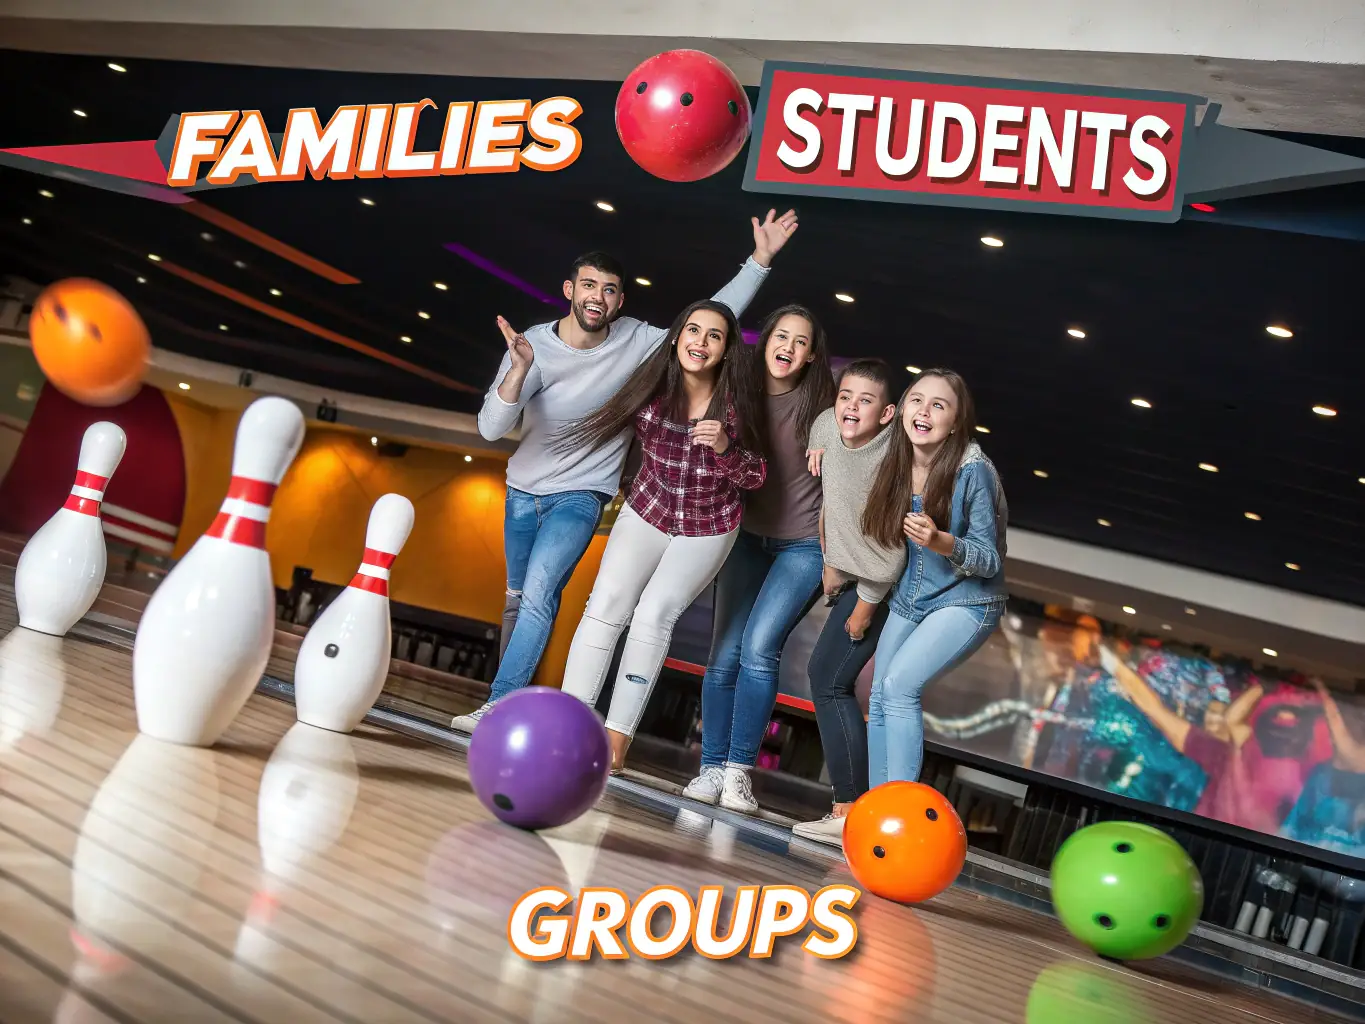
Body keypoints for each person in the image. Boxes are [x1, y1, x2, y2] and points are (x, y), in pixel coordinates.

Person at [453, 210, 799, 732]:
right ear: (569, 289)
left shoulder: (638, 340)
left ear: (620, 301)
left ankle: (500, 706)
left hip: (584, 494)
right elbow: (490, 427)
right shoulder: (532, 346)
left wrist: (760, 260)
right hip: (522, 491)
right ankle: (508, 699)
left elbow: (710, 321)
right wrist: (519, 371)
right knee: (519, 599)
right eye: (589, 285)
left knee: (543, 593)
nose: (598, 296)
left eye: (610, 289)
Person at [554, 299, 767, 772]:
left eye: (715, 335)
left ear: (728, 350)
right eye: (693, 330)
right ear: (676, 338)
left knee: (653, 616)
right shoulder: (650, 387)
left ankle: (616, 741)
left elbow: (755, 476)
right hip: (648, 509)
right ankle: (567, 720)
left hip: (708, 526)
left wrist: (726, 447)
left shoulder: (737, 405)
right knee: (605, 606)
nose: (701, 341)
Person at [681, 305, 836, 813]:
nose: (788, 347)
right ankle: (710, 767)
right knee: (723, 654)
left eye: (800, 341)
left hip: (803, 545)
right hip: (745, 537)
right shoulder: (736, 390)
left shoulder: (827, 410)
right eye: (781, 336)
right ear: (764, 340)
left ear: (812, 355)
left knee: (759, 648)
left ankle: (739, 773)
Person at [861, 369, 1008, 789]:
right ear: (903, 407)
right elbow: (843, 434)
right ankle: (876, 809)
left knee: (900, 685)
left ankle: (899, 810)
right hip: (911, 597)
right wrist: (822, 447)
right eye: (917, 400)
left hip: (967, 600)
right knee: (878, 695)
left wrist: (944, 542)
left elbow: (988, 559)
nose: (924, 411)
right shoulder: (894, 456)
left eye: (938, 405)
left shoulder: (971, 471)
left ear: (955, 423)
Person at [789, 359, 903, 844]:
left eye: (865, 401)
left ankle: (849, 809)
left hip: (880, 585)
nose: (851, 408)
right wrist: (818, 439)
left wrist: (865, 606)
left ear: (888, 413)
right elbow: (823, 419)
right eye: (845, 397)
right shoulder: (832, 428)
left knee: (830, 681)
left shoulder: (889, 464)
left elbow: (892, 550)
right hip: (850, 572)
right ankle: (849, 808)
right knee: (827, 679)